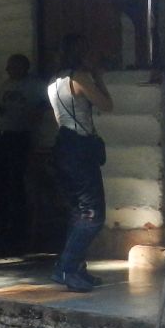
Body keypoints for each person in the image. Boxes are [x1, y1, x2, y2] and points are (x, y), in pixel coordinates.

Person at [47, 35, 112, 291]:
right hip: (80, 147)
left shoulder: (54, 81)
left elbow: (59, 118)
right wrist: (99, 78)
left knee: (77, 211)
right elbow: (107, 105)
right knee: (93, 214)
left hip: (63, 144)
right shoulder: (80, 78)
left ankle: (76, 269)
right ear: (81, 54)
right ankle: (66, 267)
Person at [0, 53, 45, 253]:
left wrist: (34, 114)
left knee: (16, 181)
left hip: (19, 135)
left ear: (23, 67)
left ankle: (17, 228)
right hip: (0, 134)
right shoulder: (6, 85)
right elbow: (0, 106)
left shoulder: (34, 85)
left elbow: (46, 103)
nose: (8, 70)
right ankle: (2, 223)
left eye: (12, 66)